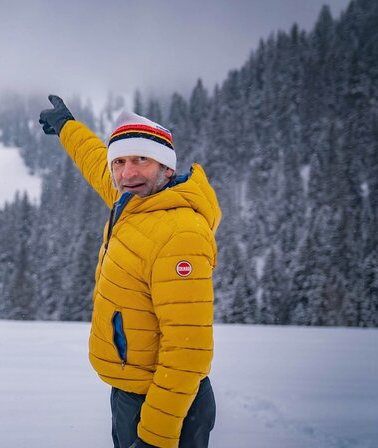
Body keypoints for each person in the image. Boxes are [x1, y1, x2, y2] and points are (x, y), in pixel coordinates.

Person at [39, 95, 221, 448]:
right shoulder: (137, 203)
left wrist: (156, 435)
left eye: (141, 160)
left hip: (164, 402)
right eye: (120, 161)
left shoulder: (180, 233)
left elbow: (188, 351)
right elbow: (96, 162)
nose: (127, 173)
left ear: (166, 168)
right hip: (133, 391)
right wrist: (67, 127)